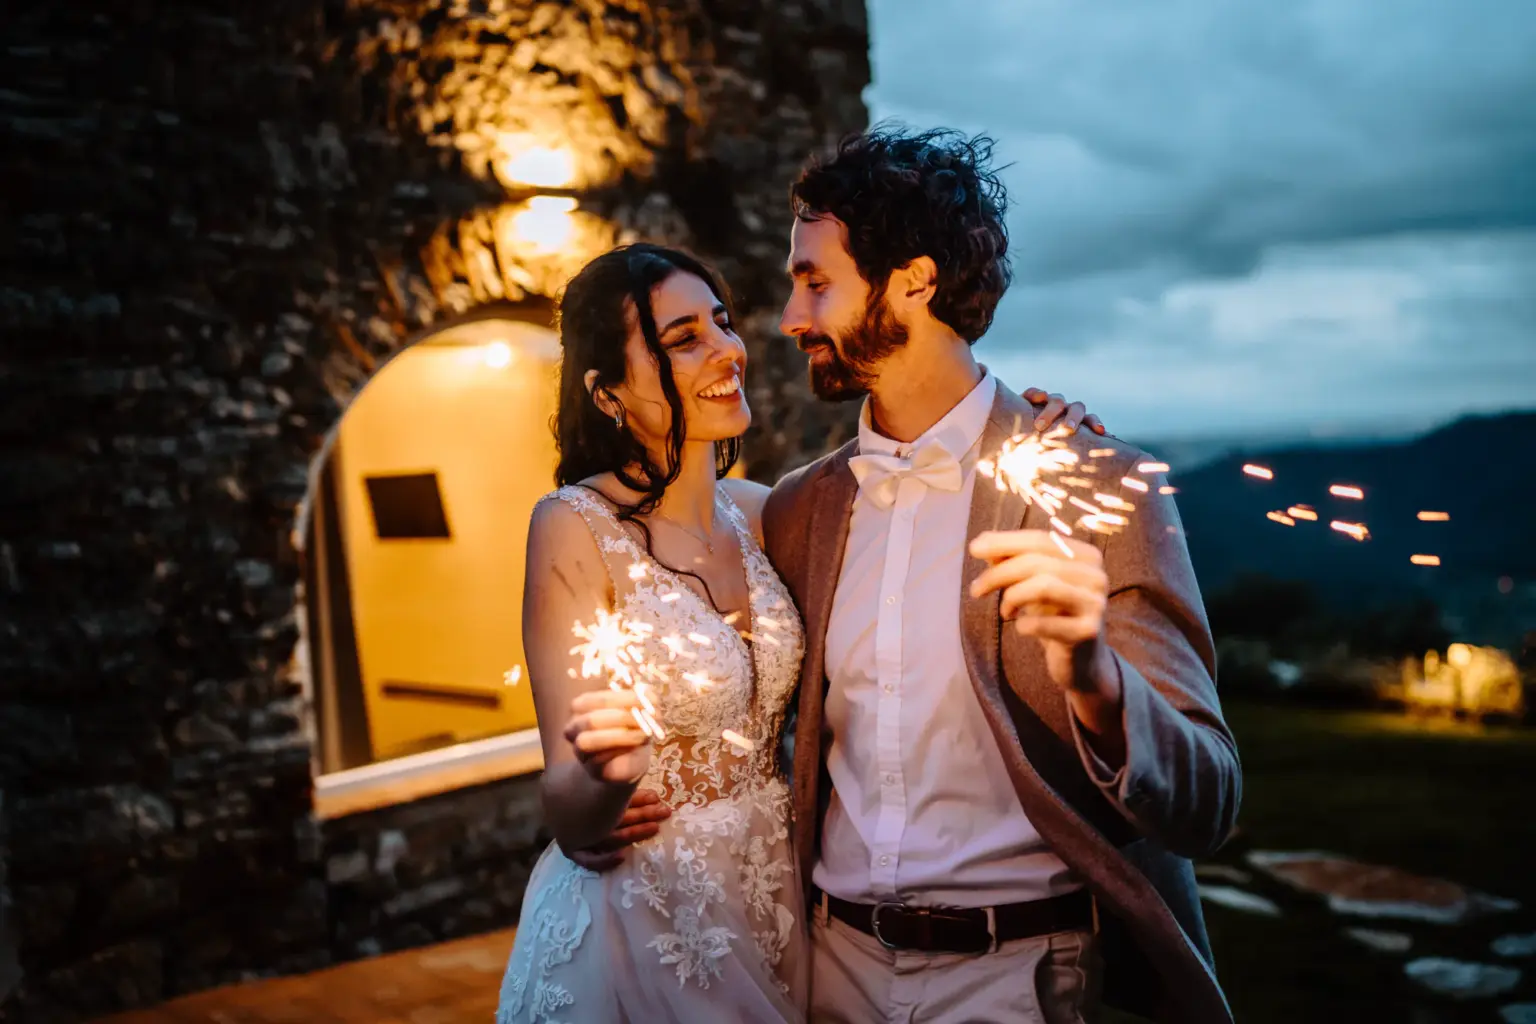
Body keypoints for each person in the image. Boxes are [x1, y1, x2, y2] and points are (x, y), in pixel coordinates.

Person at [579, 125, 1242, 1023]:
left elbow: (1210, 801)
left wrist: (1096, 681)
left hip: (1022, 981)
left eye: (815, 282)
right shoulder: (799, 511)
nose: (790, 320)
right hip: (827, 971)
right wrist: (587, 803)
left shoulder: (1093, 482)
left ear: (915, 282)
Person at [494, 241, 1101, 1023]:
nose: (728, 350)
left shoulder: (763, 512)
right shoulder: (573, 526)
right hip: (646, 915)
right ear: (608, 390)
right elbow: (566, 801)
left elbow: (904, 484)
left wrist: (1038, 430)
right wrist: (604, 779)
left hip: (779, 897)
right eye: (683, 340)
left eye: (721, 322)